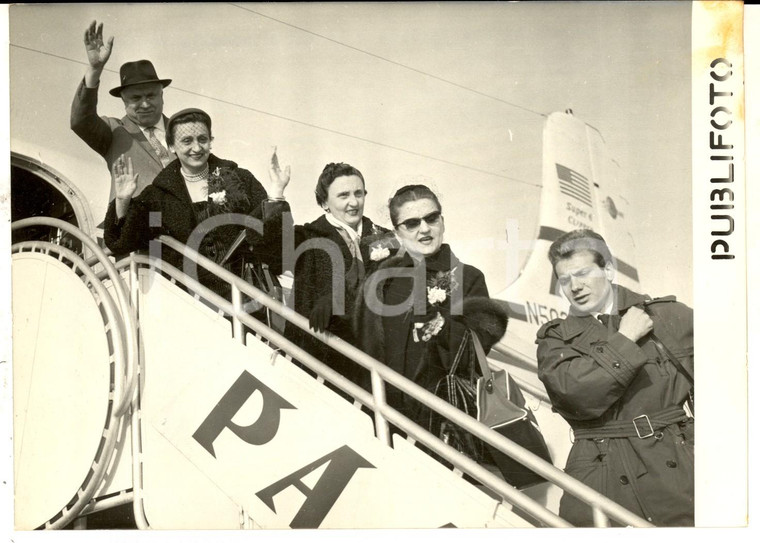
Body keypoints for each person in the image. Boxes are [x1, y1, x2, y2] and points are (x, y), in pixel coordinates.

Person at [535, 229, 694, 527]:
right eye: (565, 279)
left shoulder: (668, 316)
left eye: (583, 273)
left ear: (608, 269)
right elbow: (577, 395)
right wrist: (625, 338)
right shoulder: (555, 340)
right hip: (599, 470)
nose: (575, 286)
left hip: (676, 459)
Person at [352, 184, 508, 432]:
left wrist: (441, 326)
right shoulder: (382, 280)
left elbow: (477, 348)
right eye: (411, 223)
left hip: (438, 417)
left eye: (431, 218)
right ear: (398, 232)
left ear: (442, 221)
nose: (424, 229)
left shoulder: (467, 277)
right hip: (380, 413)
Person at [104, 108, 283, 302]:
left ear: (211, 141)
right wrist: (122, 200)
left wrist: (276, 194)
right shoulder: (158, 196)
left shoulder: (240, 179)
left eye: (202, 139)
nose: (197, 148)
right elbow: (124, 241)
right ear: (171, 146)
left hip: (243, 296)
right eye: (187, 141)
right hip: (189, 302)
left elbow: (270, 236)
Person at [259, 162, 395, 387]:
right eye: (343, 195)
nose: (353, 202)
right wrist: (277, 194)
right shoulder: (309, 236)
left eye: (358, 193)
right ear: (324, 203)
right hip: (320, 358)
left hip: (375, 360)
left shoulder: (387, 239)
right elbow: (273, 253)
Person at [71, 20, 174, 199]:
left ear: (161, 95)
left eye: (150, 96)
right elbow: (81, 121)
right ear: (124, 102)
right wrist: (94, 71)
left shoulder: (182, 129)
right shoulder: (113, 131)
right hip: (134, 223)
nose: (145, 104)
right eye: (136, 98)